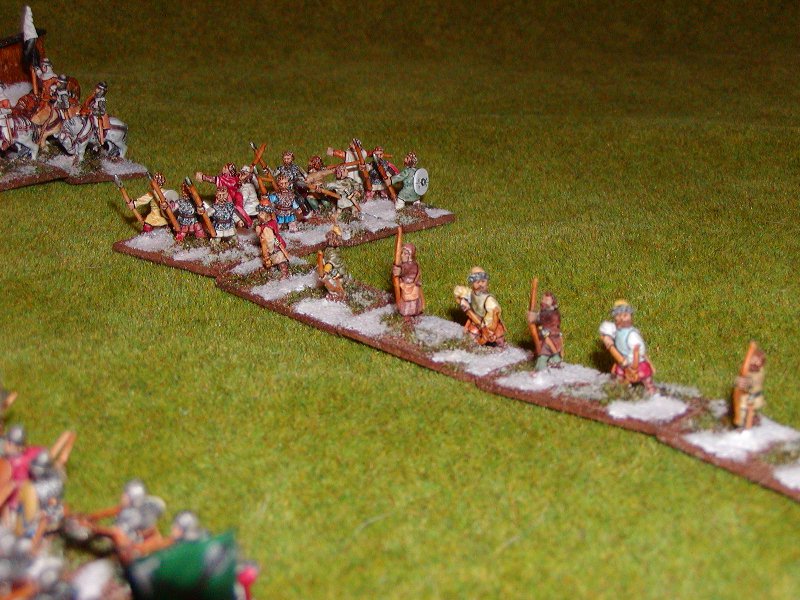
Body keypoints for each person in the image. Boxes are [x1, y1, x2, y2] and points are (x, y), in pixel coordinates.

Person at [598, 300, 656, 393]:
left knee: (646, 379)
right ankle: (621, 391)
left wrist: (634, 367)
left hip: (636, 362)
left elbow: (636, 351)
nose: (621, 319)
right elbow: (606, 332)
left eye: (625, 316)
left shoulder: (632, 335)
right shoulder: (617, 330)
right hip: (623, 362)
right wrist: (607, 338)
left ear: (630, 316)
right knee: (619, 377)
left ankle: (652, 392)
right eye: (618, 316)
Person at [453, 267, 506, 347]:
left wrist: (489, 330)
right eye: (477, 282)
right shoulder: (470, 294)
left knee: (499, 337)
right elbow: (458, 294)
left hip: (491, 324)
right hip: (477, 322)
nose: (480, 284)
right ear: (472, 283)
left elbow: (495, 313)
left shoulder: (489, 300)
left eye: (483, 282)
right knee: (471, 337)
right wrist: (463, 302)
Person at [196, 163, 252, 227]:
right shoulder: (230, 178)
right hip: (227, 198)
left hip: (232, 198)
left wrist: (203, 177)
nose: (223, 168)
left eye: (225, 167)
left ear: (229, 170)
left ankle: (247, 222)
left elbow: (214, 179)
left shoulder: (227, 179)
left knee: (236, 209)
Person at [527, 291, 563, 371]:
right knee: (546, 351)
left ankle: (541, 368)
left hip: (551, 337)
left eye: (547, 300)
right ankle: (554, 360)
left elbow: (543, 318)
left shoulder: (552, 313)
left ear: (552, 302)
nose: (544, 301)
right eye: (543, 299)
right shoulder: (545, 311)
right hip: (546, 335)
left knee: (543, 354)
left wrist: (534, 317)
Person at [733, 347, 766, 429]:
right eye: (752, 360)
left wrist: (746, 382)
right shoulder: (747, 370)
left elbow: (753, 381)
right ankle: (741, 422)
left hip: (754, 397)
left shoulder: (759, 373)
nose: (754, 363)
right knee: (741, 408)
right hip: (745, 395)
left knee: (748, 410)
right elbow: (739, 379)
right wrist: (738, 381)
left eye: (757, 361)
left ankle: (748, 424)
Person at [392, 243, 423, 317]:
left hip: (409, 289)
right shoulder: (406, 264)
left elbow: (406, 269)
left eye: (405, 254)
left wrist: (399, 270)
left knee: (410, 304)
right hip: (406, 289)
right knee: (406, 303)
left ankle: (410, 316)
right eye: (402, 253)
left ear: (410, 255)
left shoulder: (412, 265)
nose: (402, 255)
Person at [255, 212, 290, 279]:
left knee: (281, 261)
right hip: (269, 247)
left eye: (262, 213)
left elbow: (275, 239)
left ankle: (284, 273)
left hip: (274, 245)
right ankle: (276, 272)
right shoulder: (261, 227)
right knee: (272, 262)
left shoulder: (271, 224)